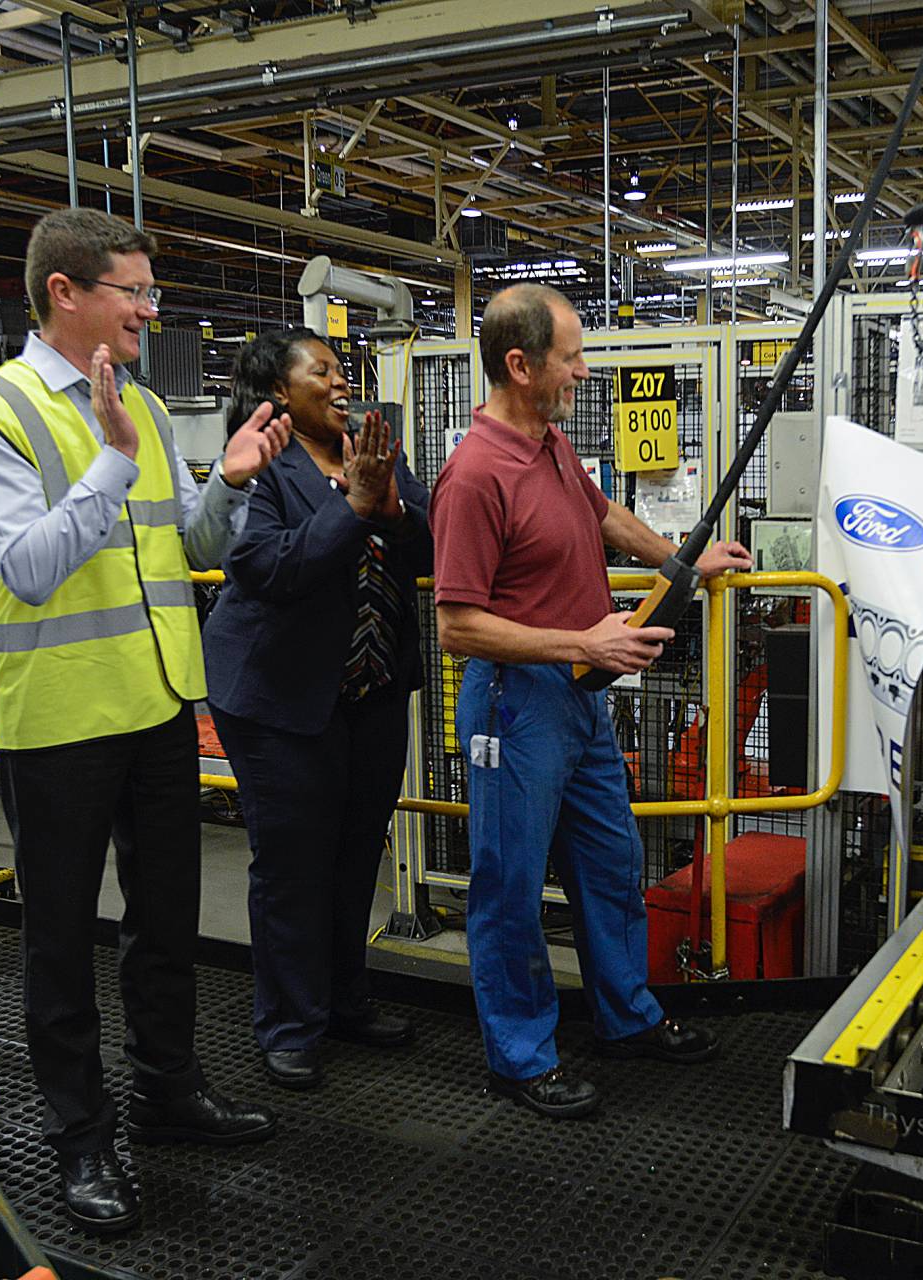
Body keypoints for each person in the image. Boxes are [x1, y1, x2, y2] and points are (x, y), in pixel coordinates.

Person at [0, 208, 290, 1235]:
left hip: (163, 700)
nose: (148, 310)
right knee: (60, 939)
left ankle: (166, 1095)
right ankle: (81, 1135)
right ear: (66, 294)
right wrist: (114, 458)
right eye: (134, 291)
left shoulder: (151, 409)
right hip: (64, 717)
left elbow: (183, 547)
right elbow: (29, 569)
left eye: (150, 291)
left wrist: (230, 477)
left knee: (167, 924)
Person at [430, 283, 753, 1120]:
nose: (581, 371)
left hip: (578, 700)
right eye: (570, 357)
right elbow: (458, 627)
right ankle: (521, 1054)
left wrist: (686, 561)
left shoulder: (551, 445)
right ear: (519, 363)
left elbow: (603, 514)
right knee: (507, 889)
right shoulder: (474, 475)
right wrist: (585, 643)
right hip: (515, 705)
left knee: (610, 867)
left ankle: (627, 1016)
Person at [202, 328, 432, 1091]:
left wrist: (393, 509)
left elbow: (431, 546)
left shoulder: (373, 451)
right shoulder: (264, 470)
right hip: (277, 699)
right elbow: (267, 566)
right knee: (294, 865)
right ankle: (289, 1024)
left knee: (355, 853)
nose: (341, 383)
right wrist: (354, 508)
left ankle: (343, 1002)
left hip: (369, 692)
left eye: (343, 371)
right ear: (279, 394)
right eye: (322, 373)